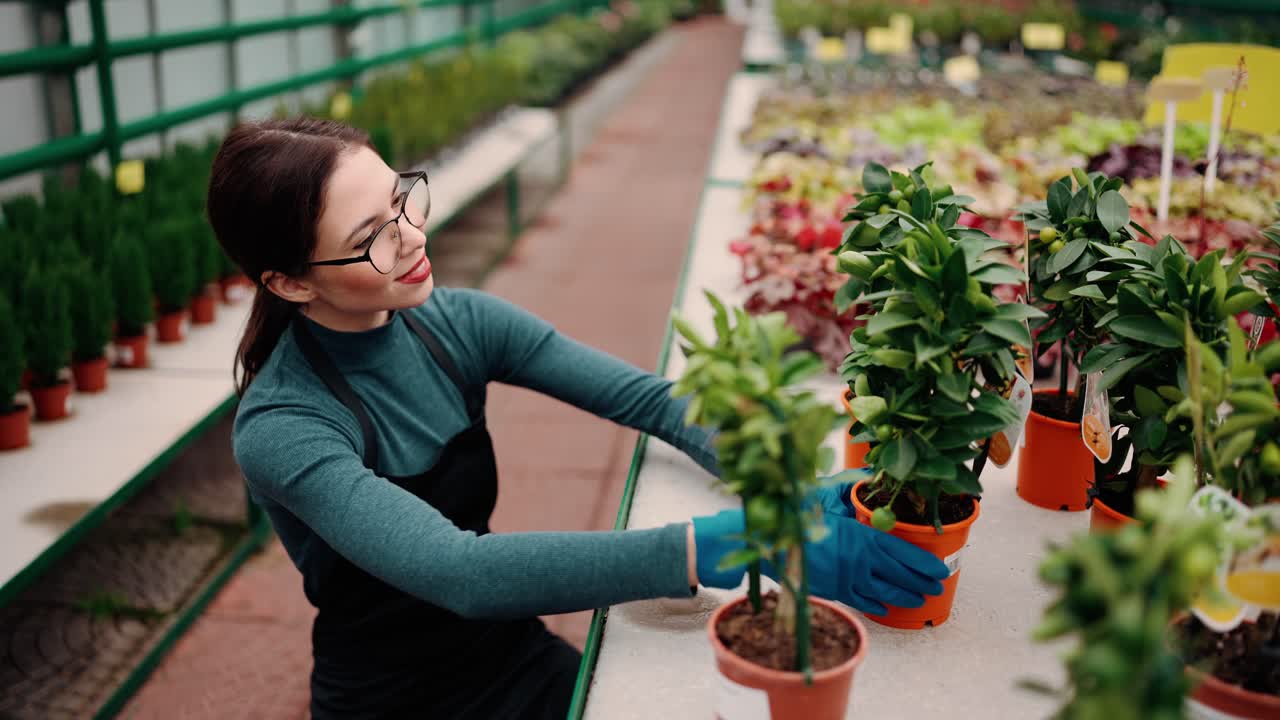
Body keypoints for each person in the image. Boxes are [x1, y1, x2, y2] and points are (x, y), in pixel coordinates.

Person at [206, 117, 949, 720]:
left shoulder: (456, 325)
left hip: (506, 651)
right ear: (290, 282)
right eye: (372, 237)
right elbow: (459, 570)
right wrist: (718, 544)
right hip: (390, 696)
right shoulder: (284, 425)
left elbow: (651, 400)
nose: (413, 236)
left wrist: (780, 473)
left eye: (404, 199)